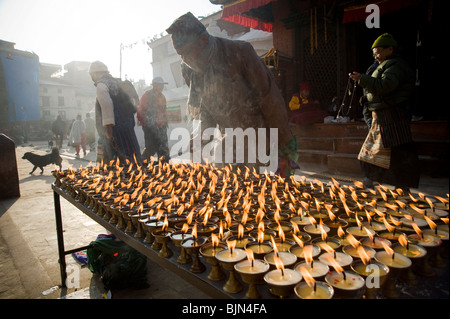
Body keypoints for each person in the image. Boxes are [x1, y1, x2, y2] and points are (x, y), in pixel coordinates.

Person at [166, 12, 298, 177]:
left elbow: (271, 101)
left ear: (204, 40)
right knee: (229, 192)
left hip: (259, 138)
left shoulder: (241, 53)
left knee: (263, 193)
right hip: (228, 142)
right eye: (180, 55)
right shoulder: (189, 69)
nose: (185, 59)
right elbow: (205, 108)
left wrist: (286, 149)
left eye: (188, 52)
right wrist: (201, 137)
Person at [349, 33, 420, 191]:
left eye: (379, 52)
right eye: (374, 54)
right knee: (374, 150)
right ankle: (370, 179)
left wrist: (362, 79)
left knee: (396, 152)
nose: (376, 56)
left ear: (390, 49)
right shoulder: (380, 65)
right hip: (380, 117)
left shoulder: (396, 66)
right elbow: (374, 88)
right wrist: (367, 98)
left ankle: (402, 185)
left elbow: (385, 86)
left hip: (394, 116)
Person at [88, 61, 142, 164]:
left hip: (113, 130)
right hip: (127, 127)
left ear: (95, 74)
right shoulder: (118, 83)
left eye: (91, 75)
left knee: (115, 160)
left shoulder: (102, 85)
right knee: (132, 155)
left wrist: (109, 130)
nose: (92, 78)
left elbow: (107, 107)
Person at [137, 77, 170, 163]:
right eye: (160, 85)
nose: (162, 87)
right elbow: (140, 110)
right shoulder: (146, 95)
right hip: (150, 127)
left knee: (163, 147)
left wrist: (164, 122)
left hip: (162, 126)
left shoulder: (162, 97)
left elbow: (163, 111)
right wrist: (145, 122)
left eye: (163, 85)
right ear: (155, 85)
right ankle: (142, 164)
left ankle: (164, 166)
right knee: (150, 147)